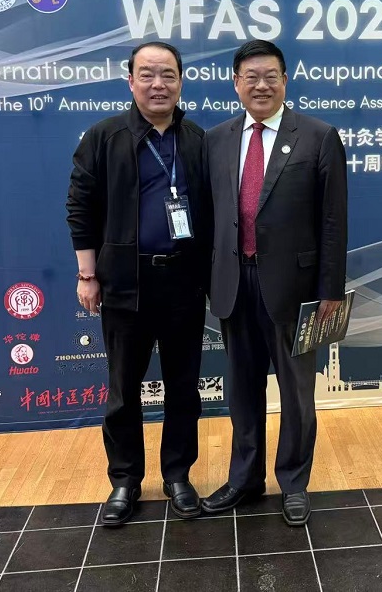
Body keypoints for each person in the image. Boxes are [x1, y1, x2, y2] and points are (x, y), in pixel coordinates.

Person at [201, 39, 347, 526]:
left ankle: (294, 483)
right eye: (251, 77)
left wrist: (330, 288)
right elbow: (209, 216)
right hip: (233, 283)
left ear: (285, 80)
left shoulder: (318, 136)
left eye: (270, 76)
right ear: (236, 83)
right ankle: (244, 479)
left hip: (295, 288)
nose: (261, 85)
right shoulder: (216, 139)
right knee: (242, 391)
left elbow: (333, 220)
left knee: (297, 393)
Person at [66, 41, 211, 526]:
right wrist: (88, 274)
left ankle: (178, 476)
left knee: (184, 388)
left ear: (181, 81)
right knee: (124, 390)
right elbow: (80, 207)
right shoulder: (104, 136)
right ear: (130, 81)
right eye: (147, 74)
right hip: (125, 283)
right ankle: (125, 480)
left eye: (168, 74)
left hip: (184, 281)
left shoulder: (197, 139)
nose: (158, 84)